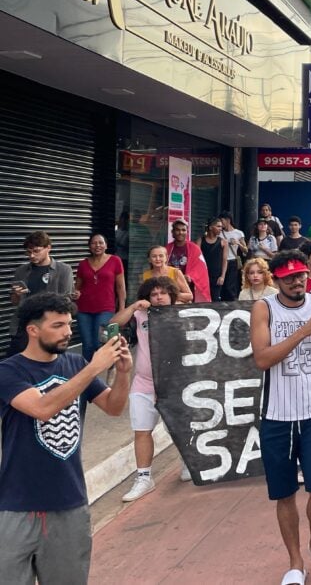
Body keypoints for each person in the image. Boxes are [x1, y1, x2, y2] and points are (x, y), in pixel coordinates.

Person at [0, 292, 132, 584]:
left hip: (69, 501)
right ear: (33, 330)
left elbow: (113, 407)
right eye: (58, 325)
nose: (68, 332)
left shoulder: (74, 365)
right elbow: (42, 409)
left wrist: (122, 373)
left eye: (70, 324)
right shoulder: (8, 372)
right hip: (15, 505)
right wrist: (96, 366)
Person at [249, 251, 311, 585]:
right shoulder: (264, 308)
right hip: (277, 415)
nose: (298, 281)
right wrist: (302, 333)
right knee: (284, 493)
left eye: (302, 274)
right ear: (276, 279)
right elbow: (262, 359)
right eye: (290, 276)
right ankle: (295, 561)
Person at [112, 277, 190, 501]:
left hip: (174, 383)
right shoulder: (140, 315)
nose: (158, 297)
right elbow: (113, 325)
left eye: (162, 293)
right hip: (144, 383)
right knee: (142, 430)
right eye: (153, 294)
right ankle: (144, 477)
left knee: (179, 428)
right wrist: (134, 306)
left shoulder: (185, 313)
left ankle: (188, 462)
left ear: (171, 295)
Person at [9, 231, 74, 356]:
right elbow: (14, 302)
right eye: (28, 252)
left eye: (36, 251)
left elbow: (66, 302)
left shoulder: (63, 270)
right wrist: (16, 294)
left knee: (47, 362)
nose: (32, 255)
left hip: (49, 326)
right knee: (16, 361)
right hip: (24, 325)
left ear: (48, 248)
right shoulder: (21, 271)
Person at [73, 232, 126, 361]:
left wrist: (122, 309)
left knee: (100, 342)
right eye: (94, 243)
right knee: (87, 345)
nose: (97, 245)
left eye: (101, 243)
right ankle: (87, 375)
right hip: (84, 309)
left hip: (106, 309)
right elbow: (77, 287)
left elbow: (120, 287)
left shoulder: (115, 261)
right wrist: (75, 294)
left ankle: (111, 366)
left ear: (106, 245)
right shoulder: (83, 264)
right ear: (89, 246)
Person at [166, 218, 211, 303]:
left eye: (183, 230)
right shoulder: (167, 248)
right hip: (170, 287)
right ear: (172, 232)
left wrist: (189, 276)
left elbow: (201, 268)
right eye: (177, 230)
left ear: (187, 232)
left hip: (188, 288)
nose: (181, 232)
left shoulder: (194, 248)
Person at [219, 211, 248, 301]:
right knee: (221, 285)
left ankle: (231, 303)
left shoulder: (238, 233)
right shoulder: (219, 233)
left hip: (232, 261)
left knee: (230, 285)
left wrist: (238, 243)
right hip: (221, 261)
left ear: (228, 220)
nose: (220, 223)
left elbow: (245, 250)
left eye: (222, 220)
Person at [197, 218, 228, 301]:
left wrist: (222, 276)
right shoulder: (201, 240)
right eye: (218, 226)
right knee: (202, 299)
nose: (220, 229)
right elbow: (196, 259)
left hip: (216, 277)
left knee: (215, 300)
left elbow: (225, 261)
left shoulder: (223, 242)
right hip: (203, 276)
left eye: (221, 227)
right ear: (211, 227)